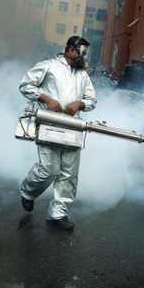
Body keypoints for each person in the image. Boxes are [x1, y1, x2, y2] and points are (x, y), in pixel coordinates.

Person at [18, 36, 97, 231]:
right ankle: (28, 192)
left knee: (68, 174)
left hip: (72, 126)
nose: (85, 57)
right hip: (49, 124)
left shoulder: (83, 75)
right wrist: (46, 98)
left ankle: (58, 214)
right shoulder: (48, 66)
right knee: (49, 170)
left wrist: (80, 103)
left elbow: (92, 99)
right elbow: (25, 85)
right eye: (83, 53)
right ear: (71, 50)